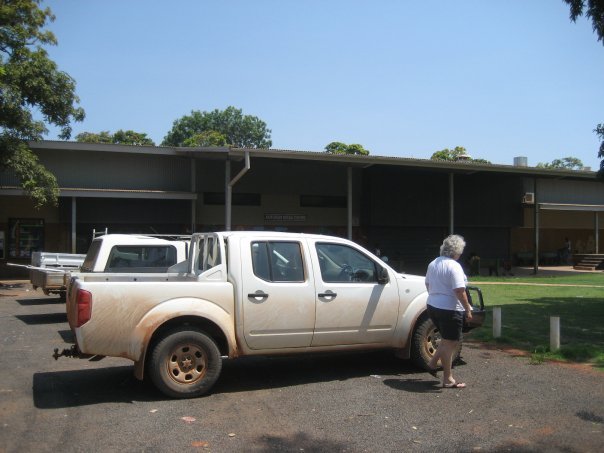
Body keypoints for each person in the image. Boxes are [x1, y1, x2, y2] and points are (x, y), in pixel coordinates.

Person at [425, 234, 473, 389]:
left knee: (446, 340)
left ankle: (432, 364)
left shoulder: (433, 263)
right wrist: (468, 308)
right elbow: (460, 290)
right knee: (450, 343)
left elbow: (427, 284)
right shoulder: (454, 266)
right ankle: (448, 378)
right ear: (457, 251)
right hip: (449, 309)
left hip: (433, 306)